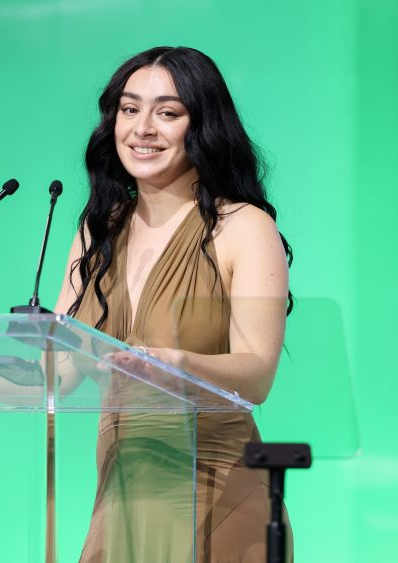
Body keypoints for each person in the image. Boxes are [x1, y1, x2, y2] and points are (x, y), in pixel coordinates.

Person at [52, 46, 294, 563]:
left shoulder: (242, 226)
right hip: (124, 493)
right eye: (129, 109)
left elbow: (257, 375)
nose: (142, 128)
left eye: (167, 112)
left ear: (202, 126)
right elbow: (59, 373)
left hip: (215, 486)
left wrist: (176, 364)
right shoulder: (99, 230)